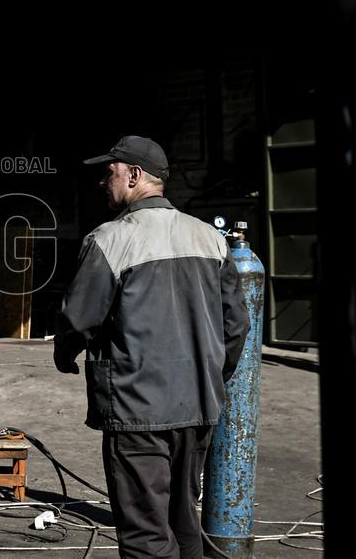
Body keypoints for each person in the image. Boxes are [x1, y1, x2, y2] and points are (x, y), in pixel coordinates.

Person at [53, 136, 248, 558]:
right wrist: (211, 375)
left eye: (110, 173)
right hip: (197, 409)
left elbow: (77, 319)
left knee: (145, 534)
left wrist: (64, 352)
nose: (105, 182)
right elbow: (237, 326)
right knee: (183, 522)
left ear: (135, 175)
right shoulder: (210, 240)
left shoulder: (110, 240)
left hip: (138, 411)